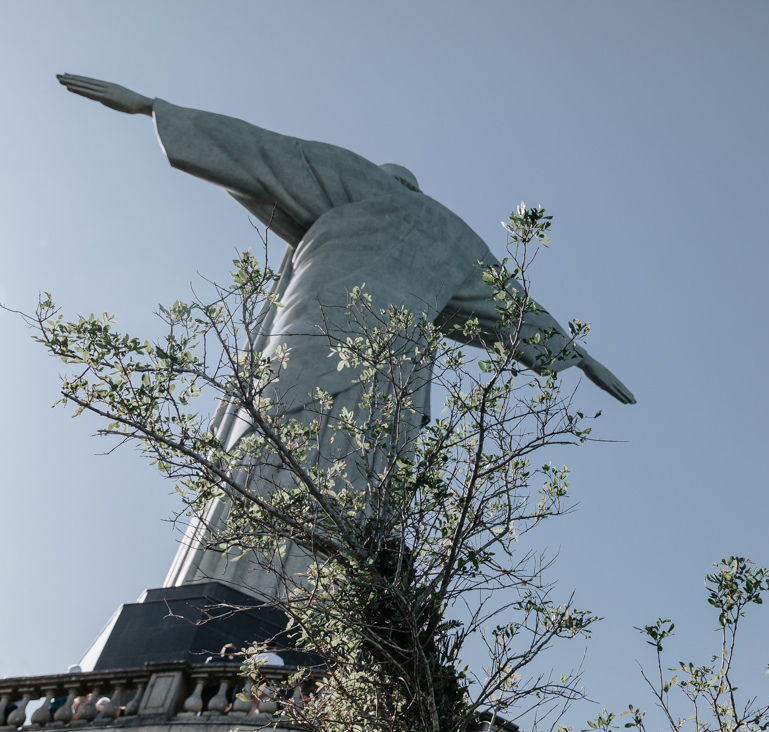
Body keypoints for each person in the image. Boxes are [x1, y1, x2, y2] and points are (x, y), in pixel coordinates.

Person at [56, 74, 636, 598]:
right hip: (395, 378)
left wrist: (152, 107)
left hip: (308, 339)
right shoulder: (458, 239)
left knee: (271, 456)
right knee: (355, 480)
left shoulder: (355, 183)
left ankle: (242, 600)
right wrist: (578, 358)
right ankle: (315, 618)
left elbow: (263, 153)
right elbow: (518, 310)